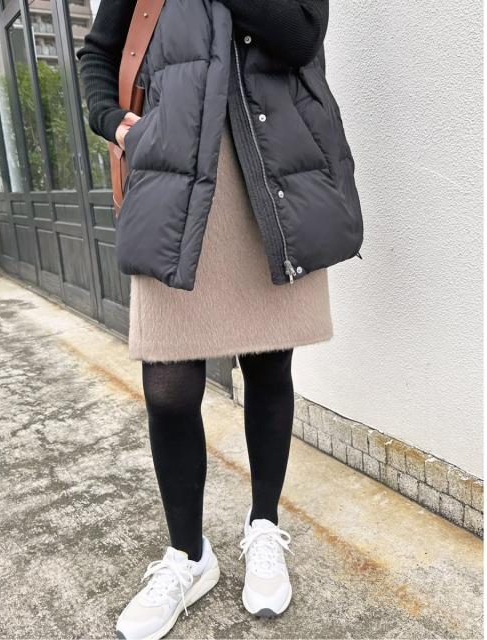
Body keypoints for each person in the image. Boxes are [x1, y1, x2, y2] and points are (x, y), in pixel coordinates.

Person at [77, 1, 362, 637]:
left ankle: (263, 526)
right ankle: (188, 556)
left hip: (272, 181)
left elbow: (300, 35)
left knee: (269, 368)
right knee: (168, 388)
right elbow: (98, 52)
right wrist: (117, 125)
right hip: (174, 182)